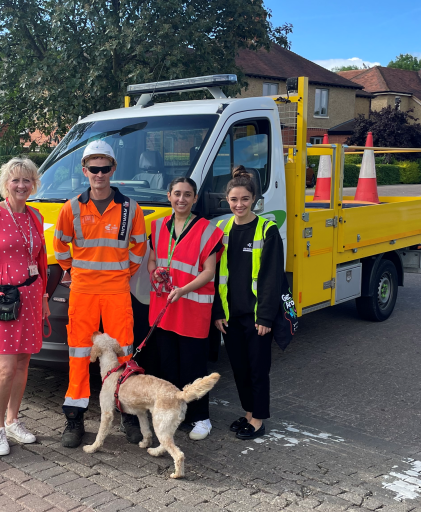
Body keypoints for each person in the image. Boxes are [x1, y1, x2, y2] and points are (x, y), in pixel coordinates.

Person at [53, 140, 147, 448]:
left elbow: (138, 248)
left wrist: (122, 274)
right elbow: (59, 247)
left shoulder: (131, 208)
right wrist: (78, 272)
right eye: (93, 168)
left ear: (113, 169)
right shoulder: (71, 208)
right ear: (85, 171)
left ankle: (128, 414)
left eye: (105, 167)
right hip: (83, 291)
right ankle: (75, 418)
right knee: (79, 354)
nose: (99, 173)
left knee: (123, 353)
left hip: (117, 290)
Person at [0, 157, 50, 456]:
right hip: (3, 300)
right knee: (4, 369)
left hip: (30, 298)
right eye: (15, 180)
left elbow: (39, 262)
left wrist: (42, 300)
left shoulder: (36, 217)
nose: (21, 185)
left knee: (23, 364)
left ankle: (13, 420)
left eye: (27, 180)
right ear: (6, 183)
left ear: (34, 184)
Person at [145, 177, 224, 440]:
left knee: (193, 367)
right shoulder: (157, 226)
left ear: (195, 199)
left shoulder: (207, 231)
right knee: (168, 367)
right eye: (177, 193)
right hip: (164, 309)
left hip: (191, 310)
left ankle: (201, 419)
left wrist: (183, 289)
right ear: (168, 196)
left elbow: (209, 272)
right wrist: (153, 271)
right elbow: (153, 259)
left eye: (187, 195)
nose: (181, 199)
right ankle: (176, 413)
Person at [212, 166, 284, 440]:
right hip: (231, 317)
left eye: (244, 199)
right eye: (233, 200)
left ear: (253, 198)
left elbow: (272, 278)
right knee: (240, 369)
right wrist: (217, 313)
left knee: (257, 370)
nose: (238, 204)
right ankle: (247, 413)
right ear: (226, 200)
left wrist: (266, 317)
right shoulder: (222, 229)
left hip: (256, 318)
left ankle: (258, 419)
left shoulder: (267, 229)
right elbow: (215, 276)